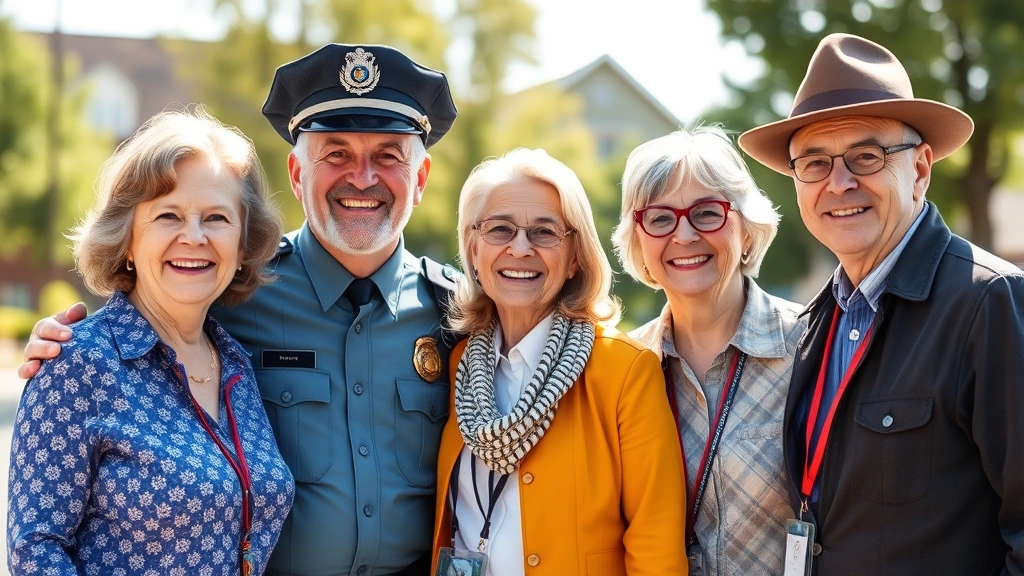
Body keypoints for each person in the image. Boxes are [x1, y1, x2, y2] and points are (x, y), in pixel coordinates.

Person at [19, 44, 460, 576]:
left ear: (421, 175)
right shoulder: (235, 295)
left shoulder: (460, 314)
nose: (362, 177)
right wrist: (62, 350)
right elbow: (146, 311)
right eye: (336, 153)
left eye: (388, 155)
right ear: (297, 174)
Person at [737, 33, 1024, 574]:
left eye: (865, 157)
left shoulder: (988, 303)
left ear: (919, 169)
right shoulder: (817, 320)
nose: (838, 183)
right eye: (814, 163)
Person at [7, 108, 293, 575]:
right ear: (128, 239)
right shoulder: (76, 363)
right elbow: (36, 551)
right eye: (168, 215)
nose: (194, 237)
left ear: (243, 245)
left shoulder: (237, 363)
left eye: (217, 217)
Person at [430, 148, 688, 575]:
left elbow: (656, 548)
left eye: (545, 232)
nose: (520, 248)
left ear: (574, 258)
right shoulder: (459, 364)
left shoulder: (624, 371)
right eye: (499, 229)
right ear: (473, 250)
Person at [611, 125, 804, 575]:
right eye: (659, 218)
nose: (683, 235)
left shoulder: (811, 347)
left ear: (748, 231)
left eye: (707, 213)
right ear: (639, 245)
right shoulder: (619, 368)